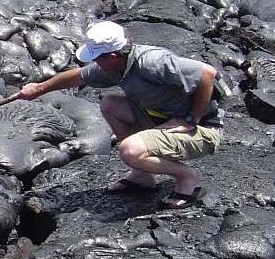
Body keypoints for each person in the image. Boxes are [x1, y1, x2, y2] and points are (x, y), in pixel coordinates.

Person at [16, 20, 223, 209]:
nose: (94, 63)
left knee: (130, 150)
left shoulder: (151, 62)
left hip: (202, 130)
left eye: (96, 58)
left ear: (112, 56)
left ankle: (187, 177)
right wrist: (39, 89)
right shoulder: (116, 67)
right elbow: (78, 77)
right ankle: (143, 175)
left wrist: (190, 120)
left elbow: (207, 73)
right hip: (162, 118)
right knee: (110, 104)